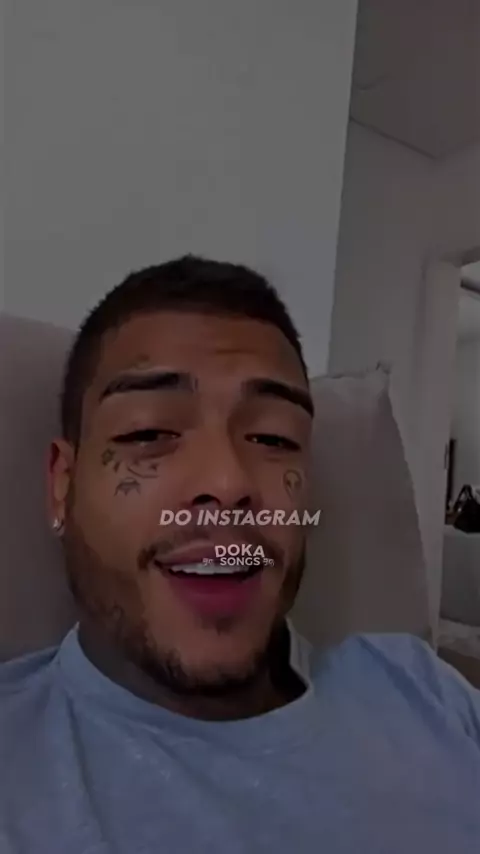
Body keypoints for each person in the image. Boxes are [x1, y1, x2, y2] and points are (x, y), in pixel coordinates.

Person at [0, 256, 479, 854]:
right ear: (62, 486)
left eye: (274, 438)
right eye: (149, 433)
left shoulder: (425, 693)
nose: (228, 483)